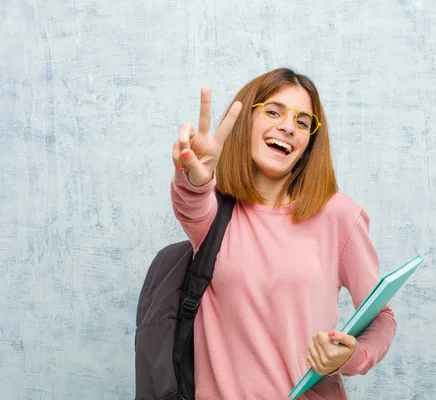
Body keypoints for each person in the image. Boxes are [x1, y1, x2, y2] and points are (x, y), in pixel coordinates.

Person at [169, 68, 396, 399]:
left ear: (308, 143)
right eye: (273, 112)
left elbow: (382, 318)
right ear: (247, 120)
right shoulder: (213, 214)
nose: (288, 127)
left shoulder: (340, 216)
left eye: (303, 122)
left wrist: (350, 357)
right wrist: (196, 175)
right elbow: (190, 199)